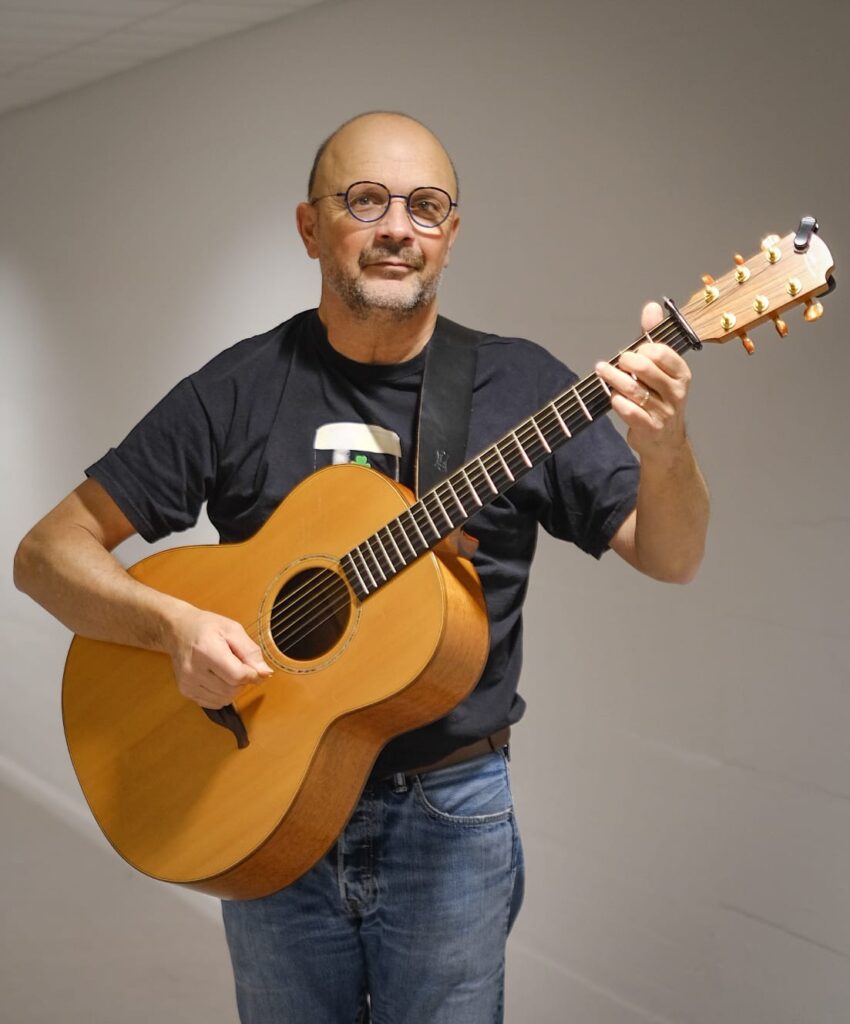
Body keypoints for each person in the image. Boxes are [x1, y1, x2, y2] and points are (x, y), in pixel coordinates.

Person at [14, 111, 709, 1023]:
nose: (397, 228)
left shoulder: (522, 387)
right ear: (311, 227)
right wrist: (174, 626)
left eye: (425, 207)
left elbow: (671, 555)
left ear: (450, 238)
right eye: (366, 200)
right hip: (258, 788)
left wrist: (666, 453)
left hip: (451, 818)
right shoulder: (238, 388)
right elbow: (45, 556)